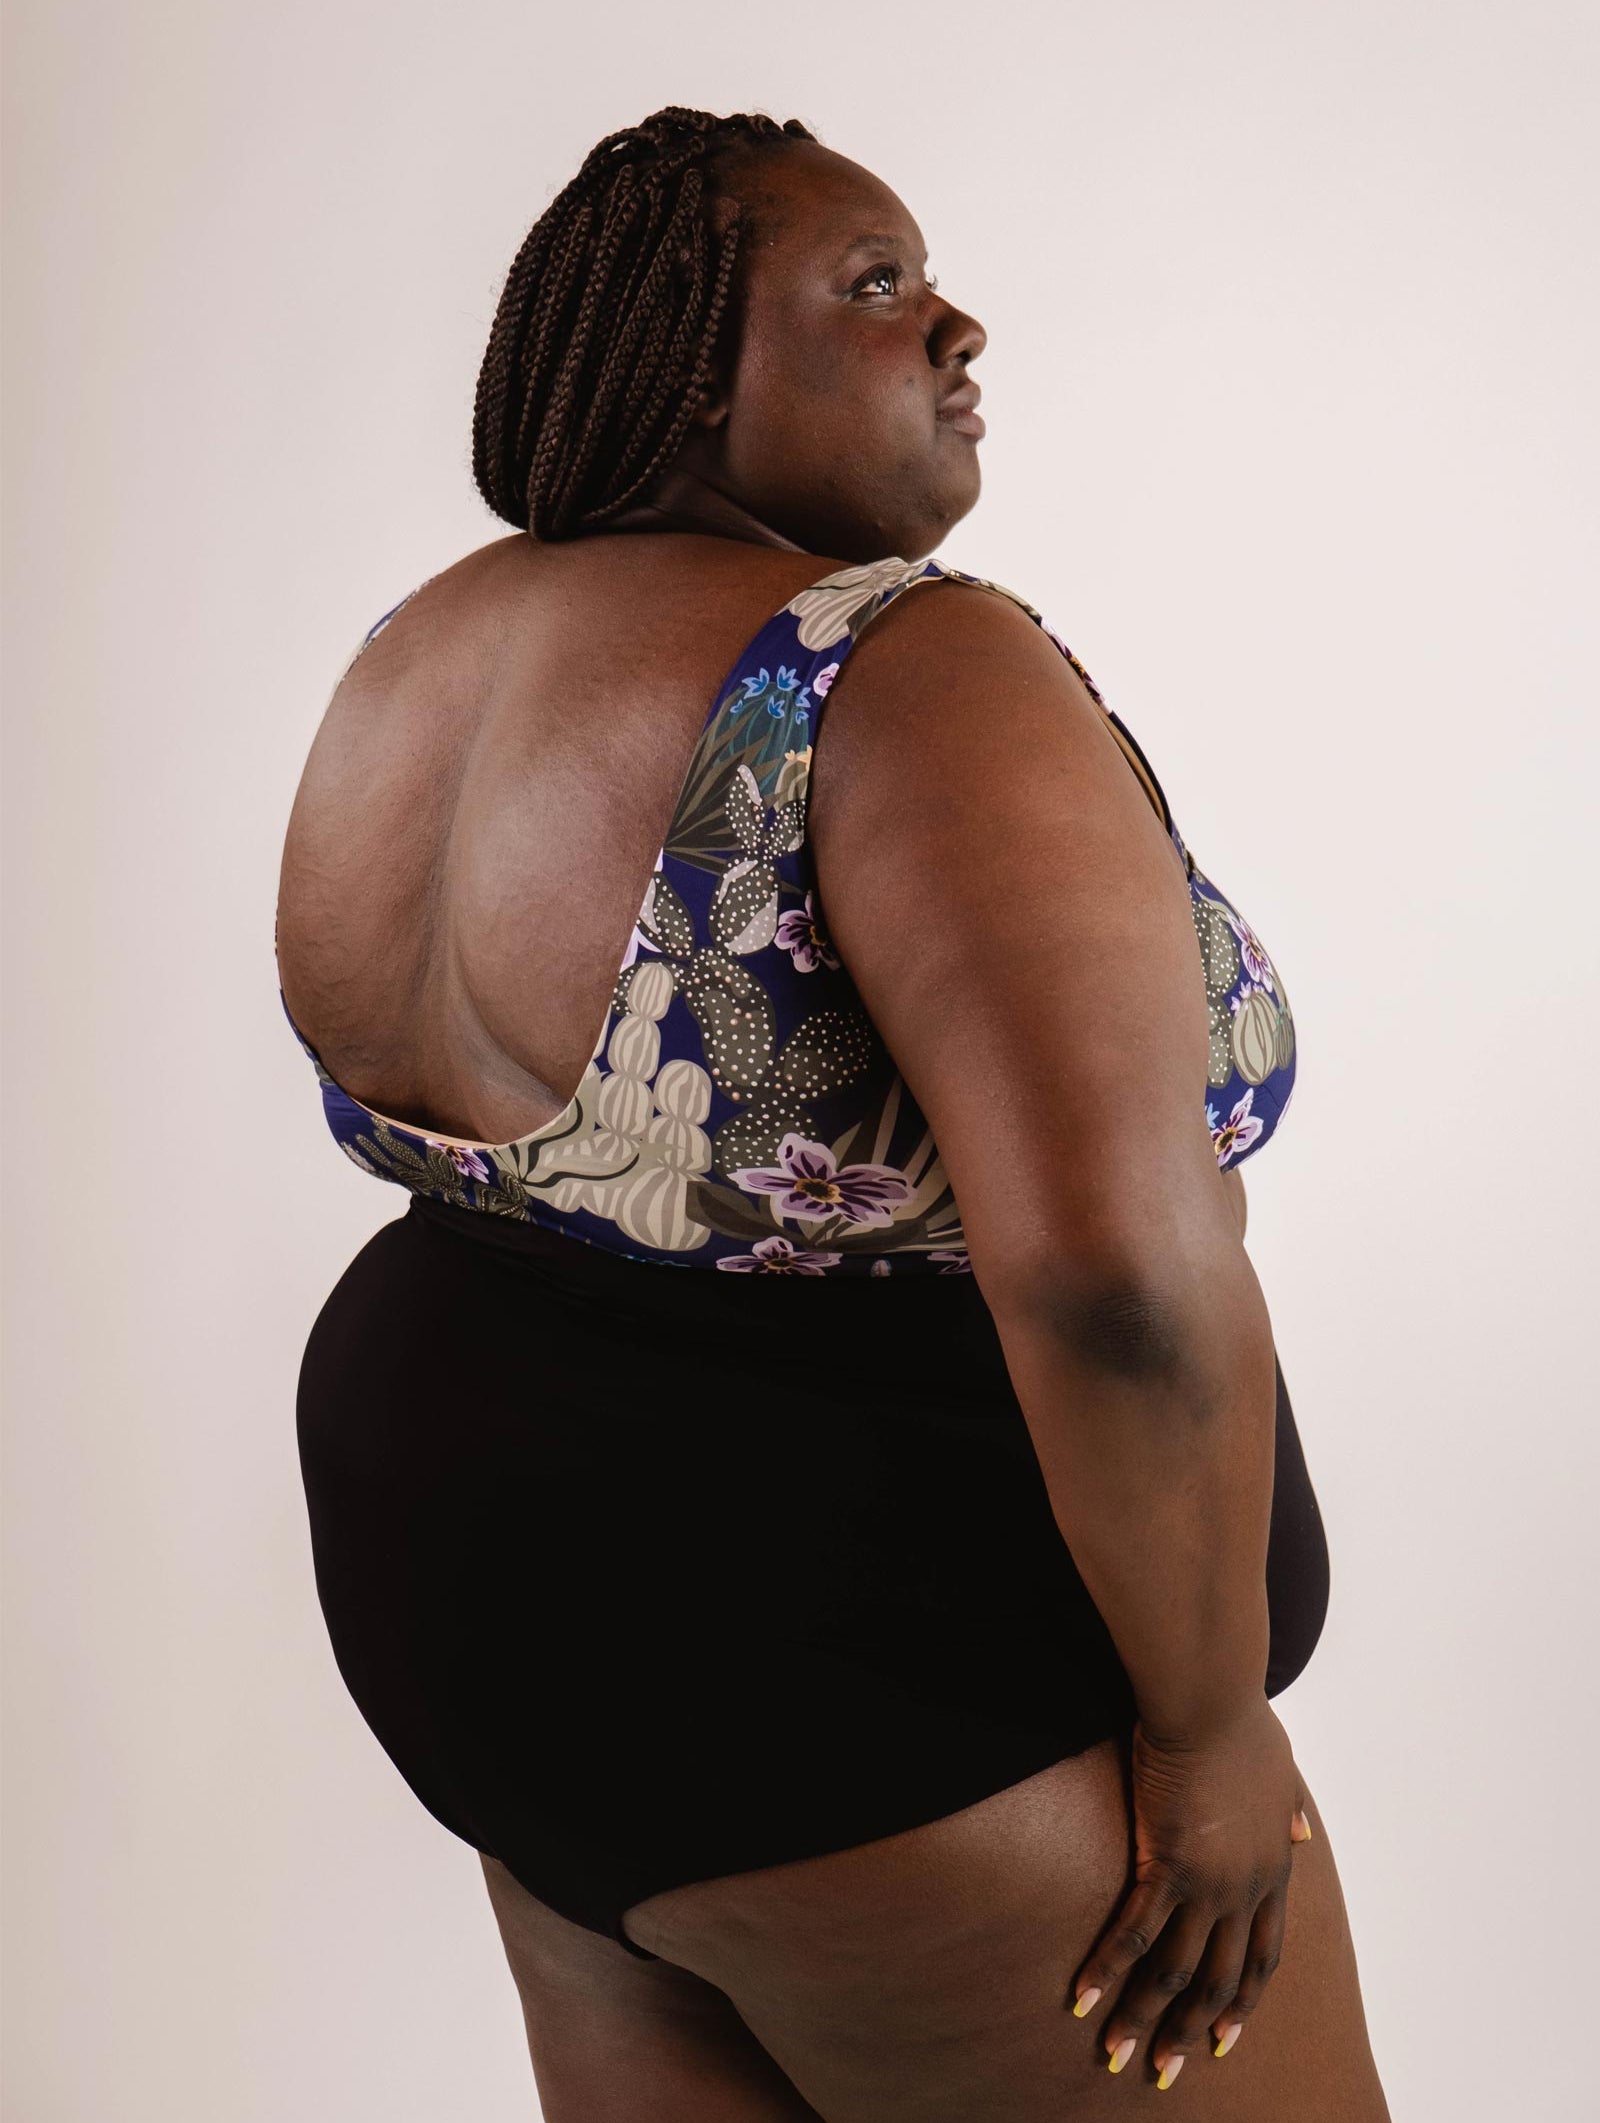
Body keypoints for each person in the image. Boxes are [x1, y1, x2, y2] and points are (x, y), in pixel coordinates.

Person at [276, 105, 1390, 2119]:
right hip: (867, 1685)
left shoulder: (423, 653)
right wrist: (1213, 1737)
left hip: (489, 1625)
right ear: (689, 363)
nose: (954, 328)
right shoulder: (895, 667)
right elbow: (1117, 1281)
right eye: (872, 289)